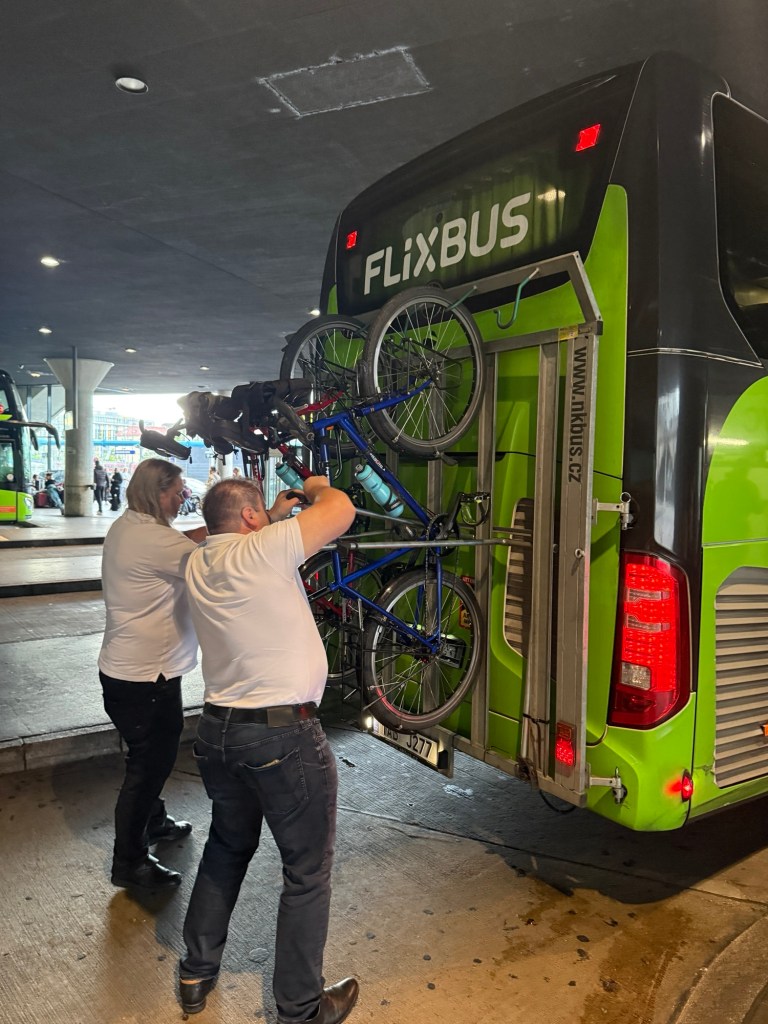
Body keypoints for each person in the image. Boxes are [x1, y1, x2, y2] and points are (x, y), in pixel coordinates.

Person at [178, 476, 358, 1024]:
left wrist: (271, 516)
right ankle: (301, 1009)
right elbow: (342, 510)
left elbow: (216, 534)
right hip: (282, 738)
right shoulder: (264, 549)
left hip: (217, 733)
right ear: (253, 519)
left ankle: (195, 971)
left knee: (227, 848)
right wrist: (317, 485)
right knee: (306, 872)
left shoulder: (198, 561)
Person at [98, 458, 208, 891]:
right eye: (177, 490)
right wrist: (267, 525)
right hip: (145, 679)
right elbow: (212, 557)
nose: (182, 496)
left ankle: (155, 822)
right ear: (156, 492)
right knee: (147, 768)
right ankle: (129, 863)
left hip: (136, 672)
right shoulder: (153, 540)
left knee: (147, 761)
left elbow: (188, 541)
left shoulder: (133, 527)